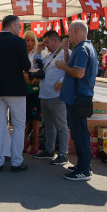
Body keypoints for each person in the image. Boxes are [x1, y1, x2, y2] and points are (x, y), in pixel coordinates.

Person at [0, 15, 30, 172]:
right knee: (18, 125)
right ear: (13, 26)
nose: (20, 29)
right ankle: (16, 161)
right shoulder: (19, 42)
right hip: (15, 89)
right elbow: (26, 66)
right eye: (20, 26)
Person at [56, 20, 98, 180]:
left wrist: (62, 66)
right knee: (81, 132)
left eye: (70, 31)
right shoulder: (86, 47)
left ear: (77, 30)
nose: (68, 34)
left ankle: (84, 169)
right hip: (80, 96)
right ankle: (84, 165)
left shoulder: (82, 49)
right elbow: (74, 67)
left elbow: (78, 73)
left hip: (77, 97)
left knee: (80, 133)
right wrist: (66, 52)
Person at [32, 30, 71, 165]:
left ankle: (63, 154)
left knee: (61, 126)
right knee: (49, 125)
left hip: (57, 96)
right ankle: (49, 151)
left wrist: (61, 81)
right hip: (45, 94)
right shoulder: (49, 55)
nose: (45, 45)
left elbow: (71, 71)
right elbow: (36, 66)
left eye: (47, 42)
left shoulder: (66, 53)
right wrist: (38, 50)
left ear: (55, 40)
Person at [23, 30, 42, 154]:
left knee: (35, 117)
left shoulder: (39, 53)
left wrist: (38, 76)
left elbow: (43, 68)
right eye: (27, 40)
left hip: (35, 87)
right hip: (23, 88)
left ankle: (35, 142)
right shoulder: (20, 53)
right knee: (24, 117)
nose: (29, 43)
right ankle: (24, 141)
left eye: (32, 40)